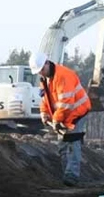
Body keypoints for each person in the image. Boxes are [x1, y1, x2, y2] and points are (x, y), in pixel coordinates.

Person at [29, 50, 92, 187]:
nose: (41, 73)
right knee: (63, 144)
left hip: (77, 111)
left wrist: (57, 119)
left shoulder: (63, 76)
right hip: (63, 114)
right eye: (38, 71)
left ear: (47, 62)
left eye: (41, 69)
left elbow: (66, 103)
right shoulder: (45, 79)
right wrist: (44, 112)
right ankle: (66, 173)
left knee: (72, 142)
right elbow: (46, 99)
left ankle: (72, 175)